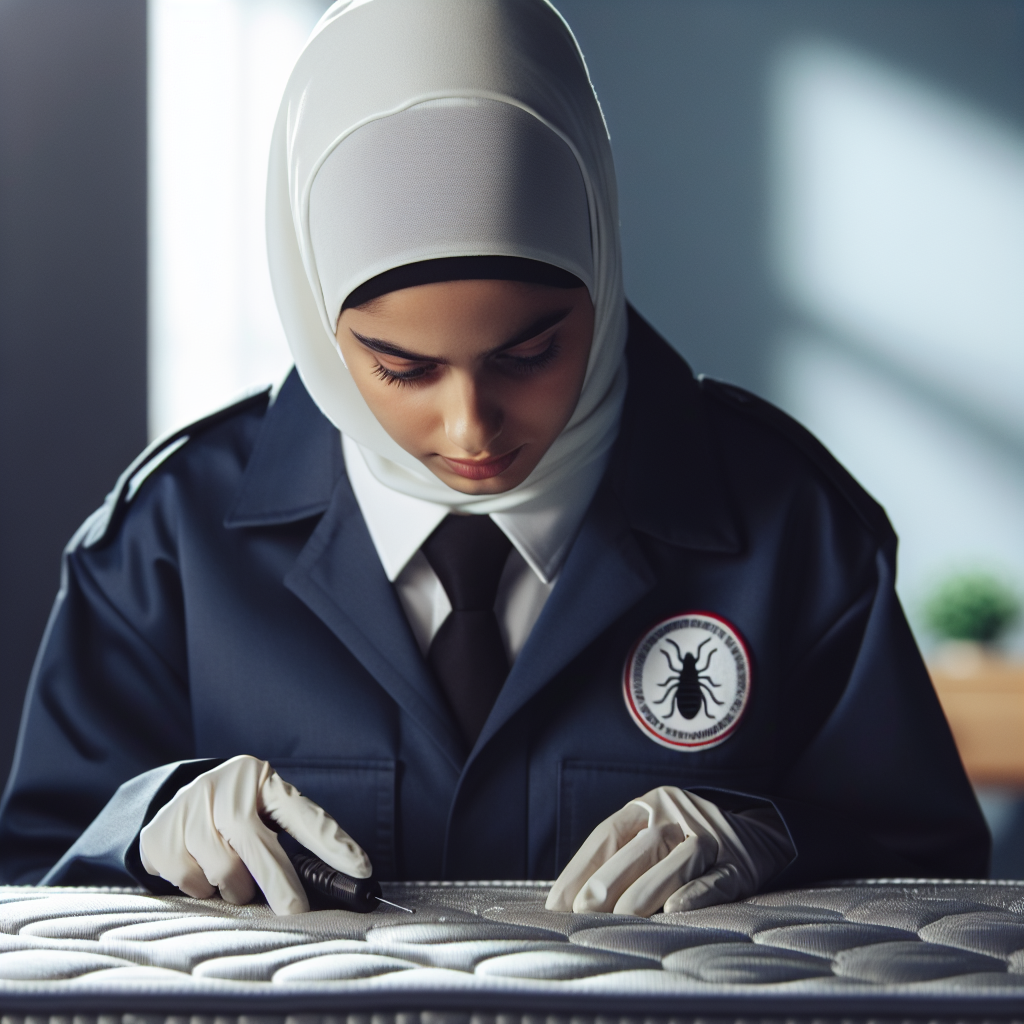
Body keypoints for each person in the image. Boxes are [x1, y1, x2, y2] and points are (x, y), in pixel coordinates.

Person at [0, 0, 987, 916]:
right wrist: (144, 826)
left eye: (529, 352)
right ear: (315, 324)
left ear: (599, 273)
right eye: (402, 367)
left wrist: (782, 839)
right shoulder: (163, 544)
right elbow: (27, 879)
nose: (471, 428)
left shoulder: (792, 527)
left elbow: (944, 889)